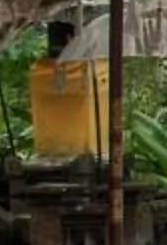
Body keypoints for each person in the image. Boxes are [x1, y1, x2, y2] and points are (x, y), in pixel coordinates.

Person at [27, 18, 111, 159]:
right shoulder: (93, 68)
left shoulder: (39, 71)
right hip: (89, 152)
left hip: (50, 151)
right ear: (70, 38)